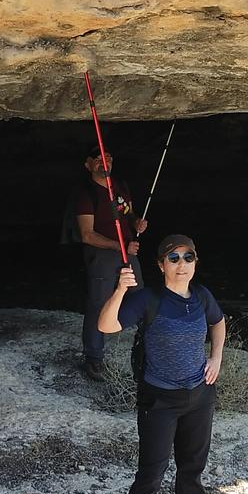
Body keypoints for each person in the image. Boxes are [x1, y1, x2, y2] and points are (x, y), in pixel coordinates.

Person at [98, 234, 226, 494]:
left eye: (188, 257)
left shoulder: (201, 296)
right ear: (161, 264)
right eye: (174, 258)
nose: (182, 264)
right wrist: (121, 290)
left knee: (192, 464)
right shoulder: (148, 299)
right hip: (160, 400)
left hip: (199, 395)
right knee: (151, 471)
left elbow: (218, 322)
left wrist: (215, 358)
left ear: (195, 262)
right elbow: (106, 326)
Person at [73, 145, 146, 381]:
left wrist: (137, 224)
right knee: (98, 304)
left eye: (108, 158)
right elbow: (87, 234)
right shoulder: (87, 193)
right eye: (99, 159)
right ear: (88, 164)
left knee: (142, 299)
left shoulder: (120, 186)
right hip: (102, 258)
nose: (105, 163)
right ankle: (94, 359)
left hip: (128, 254)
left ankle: (147, 350)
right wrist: (119, 246)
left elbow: (129, 214)